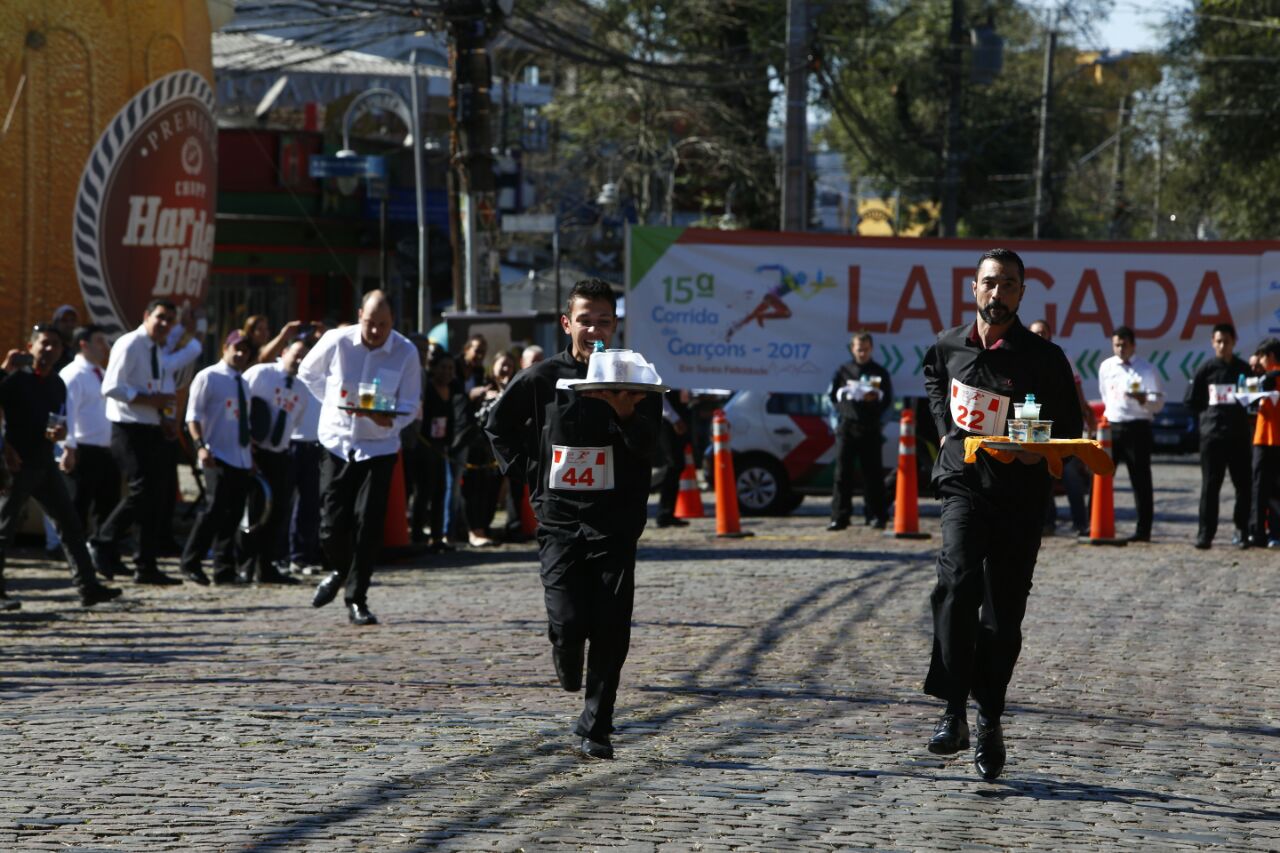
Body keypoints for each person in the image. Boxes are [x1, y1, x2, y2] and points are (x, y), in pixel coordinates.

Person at [921, 248, 1081, 781]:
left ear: (1021, 293)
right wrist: (946, 430)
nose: (998, 292)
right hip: (963, 486)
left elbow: (1064, 427)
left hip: (1018, 494)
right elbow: (932, 380)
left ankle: (989, 715)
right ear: (974, 288)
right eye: (990, 283)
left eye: (1009, 284)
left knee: (1002, 618)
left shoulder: (1044, 358)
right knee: (955, 584)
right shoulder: (948, 345)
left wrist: (1035, 451)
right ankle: (952, 710)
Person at [486, 278, 661, 760]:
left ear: (615, 324)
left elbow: (653, 447)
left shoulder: (637, 377)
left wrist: (627, 415)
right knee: (568, 619)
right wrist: (530, 477)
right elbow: (498, 426)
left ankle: (596, 726)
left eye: (604, 320)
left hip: (615, 522)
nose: (595, 329)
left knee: (611, 625)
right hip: (560, 520)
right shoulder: (543, 378)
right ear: (568, 324)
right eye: (585, 320)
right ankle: (565, 651)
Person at [298, 290, 421, 625]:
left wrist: (391, 419)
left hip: (378, 446)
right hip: (336, 442)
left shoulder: (405, 352)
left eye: (383, 325)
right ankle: (340, 569)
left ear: (393, 322)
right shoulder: (337, 340)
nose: (375, 331)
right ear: (358, 315)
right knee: (330, 523)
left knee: (368, 523)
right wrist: (335, 403)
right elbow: (307, 372)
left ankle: (357, 598)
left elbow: (411, 403)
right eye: (369, 323)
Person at [0, 327, 122, 608]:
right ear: (30, 346)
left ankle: (88, 587)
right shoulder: (15, 380)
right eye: (44, 343)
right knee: (5, 530)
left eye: (55, 345)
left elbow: (60, 420)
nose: (49, 349)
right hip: (18, 464)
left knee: (70, 525)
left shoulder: (57, 383)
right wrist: (5, 449)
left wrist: (61, 437)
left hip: (45, 464)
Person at [96, 299, 187, 584]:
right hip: (128, 429)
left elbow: (154, 391)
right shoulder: (130, 343)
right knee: (141, 491)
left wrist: (163, 418)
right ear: (147, 316)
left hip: (152, 427)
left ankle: (145, 564)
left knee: (156, 497)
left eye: (170, 320)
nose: (164, 324)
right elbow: (111, 386)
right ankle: (102, 541)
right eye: (160, 317)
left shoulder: (156, 349)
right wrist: (150, 401)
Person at [178, 332, 257, 586]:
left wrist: (250, 454)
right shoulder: (208, 376)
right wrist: (200, 446)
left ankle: (224, 567)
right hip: (216, 453)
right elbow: (193, 416)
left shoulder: (243, 382)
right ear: (225, 348)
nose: (241, 354)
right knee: (213, 509)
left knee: (233, 513)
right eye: (237, 348)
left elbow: (242, 420)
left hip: (240, 457)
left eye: (246, 350)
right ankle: (191, 560)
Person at [241, 336, 311, 584]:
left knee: (278, 511)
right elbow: (242, 405)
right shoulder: (261, 374)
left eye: (305, 356)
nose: (300, 360)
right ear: (284, 351)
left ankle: (266, 565)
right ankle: (246, 563)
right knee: (254, 511)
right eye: (297, 354)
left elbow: (295, 423)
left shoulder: (302, 390)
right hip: (254, 450)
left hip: (280, 453)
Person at [1185, 323, 1252, 550]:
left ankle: (1242, 530)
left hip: (1239, 437)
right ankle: (1205, 534)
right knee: (1210, 487)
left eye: (1227, 341)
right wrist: (1208, 418)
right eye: (1219, 341)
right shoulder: (1205, 370)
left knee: (1243, 486)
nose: (1223, 346)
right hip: (1212, 437)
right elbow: (1192, 401)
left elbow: (1254, 400)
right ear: (1213, 343)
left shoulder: (1244, 370)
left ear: (1234, 342)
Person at [1027, 319, 1096, 537]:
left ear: (1050, 335)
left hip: (1060, 423)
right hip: (1035, 423)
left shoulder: (1062, 357)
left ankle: (1080, 523)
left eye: (1043, 332)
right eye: (1035, 333)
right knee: (1040, 473)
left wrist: (1085, 411)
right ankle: (1047, 521)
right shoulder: (1022, 358)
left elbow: (1076, 387)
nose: (1039, 336)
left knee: (1070, 474)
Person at [1097, 326, 1164, 542]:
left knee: (1141, 480)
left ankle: (1143, 530)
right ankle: (1096, 524)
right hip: (1113, 428)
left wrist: (1144, 400)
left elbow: (1158, 402)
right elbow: (1105, 395)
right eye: (1117, 344)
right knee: (1102, 476)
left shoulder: (1147, 369)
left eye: (1125, 344)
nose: (1121, 348)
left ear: (1133, 345)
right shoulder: (1106, 367)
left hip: (1138, 427)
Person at [59, 325, 119, 556]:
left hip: (106, 449)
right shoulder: (73, 374)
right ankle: (75, 552)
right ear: (84, 344)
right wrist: (68, 447)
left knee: (106, 504)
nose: (105, 347)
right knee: (79, 505)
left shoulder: (101, 373)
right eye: (100, 341)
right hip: (83, 449)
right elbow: (68, 413)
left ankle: (103, 551)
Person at [827, 331, 893, 531]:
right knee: (842, 475)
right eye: (858, 349)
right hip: (847, 427)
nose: (862, 353)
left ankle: (875, 516)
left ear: (871, 349)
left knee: (872, 475)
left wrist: (876, 405)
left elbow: (888, 400)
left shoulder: (879, 372)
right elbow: (831, 397)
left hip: (870, 428)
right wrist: (839, 417)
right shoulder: (843, 371)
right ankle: (840, 517)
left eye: (865, 349)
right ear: (852, 349)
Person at [447, 334, 489, 542]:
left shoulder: (480, 372)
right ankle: (448, 532)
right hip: (452, 432)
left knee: (469, 485)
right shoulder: (452, 367)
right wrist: (469, 395)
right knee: (451, 485)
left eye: (483, 351)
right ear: (466, 349)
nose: (479, 355)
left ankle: (463, 528)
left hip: (471, 432)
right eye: (477, 350)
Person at [417, 345, 456, 553]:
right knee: (425, 491)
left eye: (451, 368)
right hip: (425, 445)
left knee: (441, 490)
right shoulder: (428, 388)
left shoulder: (453, 389)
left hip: (442, 446)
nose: (447, 372)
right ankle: (417, 535)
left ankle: (436, 536)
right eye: (443, 368)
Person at [1249, 338, 1280, 548]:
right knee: (1262, 486)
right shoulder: (1261, 378)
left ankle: (1264, 532)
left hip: (1272, 436)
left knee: (1269, 487)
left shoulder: (1274, 376)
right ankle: (1264, 532)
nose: (1259, 361)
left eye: (1261, 356)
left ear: (1269, 356)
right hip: (1262, 436)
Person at [655, 389, 692, 528]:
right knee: (673, 464)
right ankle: (664, 513)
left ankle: (668, 512)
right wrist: (674, 419)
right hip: (668, 422)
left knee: (677, 465)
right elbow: (661, 398)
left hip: (678, 417)